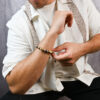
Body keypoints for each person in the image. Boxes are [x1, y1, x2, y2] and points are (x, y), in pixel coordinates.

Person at [1, 0, 100, 100]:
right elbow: (16, 86)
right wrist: (52, 32)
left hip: (80, 77)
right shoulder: (18, 21)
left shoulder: (81, 3)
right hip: (38, 84)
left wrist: (82, 49)